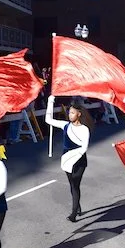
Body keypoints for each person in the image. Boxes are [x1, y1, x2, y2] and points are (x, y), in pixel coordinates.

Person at [45, 94, 93, 222]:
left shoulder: (84, 129)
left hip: (79, 162)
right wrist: (50, 101)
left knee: (76, 184)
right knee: (72, 185)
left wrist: (73, 158)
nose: (70, 115)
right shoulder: (65, 125)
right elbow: (48, 120)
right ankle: (77, 206)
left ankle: (73, 214)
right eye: (69, 113)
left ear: (79, 114)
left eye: (72, 113)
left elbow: (84, 147)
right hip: (67, 161)